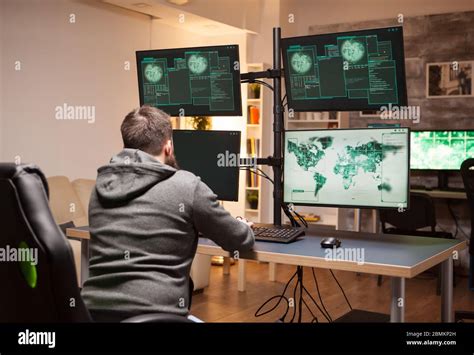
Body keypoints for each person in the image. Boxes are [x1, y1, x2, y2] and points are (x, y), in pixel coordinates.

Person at [81, 106, 255, 321]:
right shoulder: (187, 185)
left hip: (91, 315)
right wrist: (244, 226)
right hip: (158, 317)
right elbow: (239, 239)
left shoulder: (100, 187)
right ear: (169, 147)